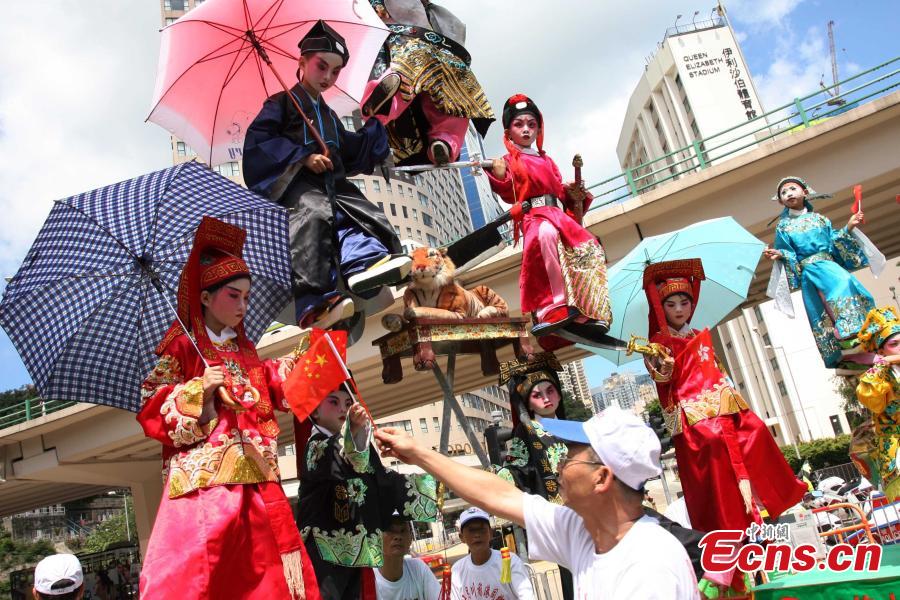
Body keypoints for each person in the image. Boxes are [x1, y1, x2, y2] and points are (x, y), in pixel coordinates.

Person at [137, 217, 319, 600]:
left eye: (247, 296)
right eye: (233, 295)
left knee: (268, 582)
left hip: (258, 485)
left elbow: (279, 385)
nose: (243, 305)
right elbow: (151, 405)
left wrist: (313, 348)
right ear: (205, 297)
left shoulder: (248, 352)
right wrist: (199, 391)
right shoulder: (181, 348)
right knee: (203, 580)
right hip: (206, 492)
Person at [374, 406, 700, 599]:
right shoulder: (582, 531)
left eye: (570, 456)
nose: (557, 462)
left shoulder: (649, 563)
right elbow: (498, 494)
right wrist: (417, 453)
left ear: (602, 478)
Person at [243, 20, 410, 332]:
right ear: (302, 62)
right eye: (322, 66)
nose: (328, 77)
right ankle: (311, 300)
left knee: (359, 212)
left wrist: (375, 137)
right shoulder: (280, 104)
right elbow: (259, 143)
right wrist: (302, 157)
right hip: (297, 189)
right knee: (316, 213)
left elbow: (348, 148)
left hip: (333, 186)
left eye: (335, 71)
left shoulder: (328, 114)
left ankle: (363, 265)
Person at [641, 259, 806, 534]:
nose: (679, 309)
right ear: (661, 308)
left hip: (724, 406)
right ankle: (729, 531)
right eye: (670, 304)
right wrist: (664, 371)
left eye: (684, 302)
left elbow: (718, 371)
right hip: (695, 421)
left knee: (756, 430)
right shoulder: (658, 343)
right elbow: (662, 383)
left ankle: (777, 496)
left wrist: (729, 396)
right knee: (715, 449)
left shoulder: (698, 334)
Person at [485, 94, 611, 349]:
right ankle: (551, 306)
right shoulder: (508, 161)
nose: (526, 129)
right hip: (535, 218)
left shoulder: (547, 160)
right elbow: (510, 192)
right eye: (519, 124)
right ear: (509, 130)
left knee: (590, 246)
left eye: (531, 124)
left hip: (559, 216)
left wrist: (574, 193)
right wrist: (499, 175)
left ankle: (588, 305)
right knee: (545, 236)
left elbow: (559, 193)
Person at [296, 384, 440, 599]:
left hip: (359, 553)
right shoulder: (314, 447)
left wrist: (434, 487)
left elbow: (383, 483)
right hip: (322, 552)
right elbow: (332, 459)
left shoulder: (363, 446)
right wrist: (353, 433)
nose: (343, 409)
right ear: (315, 412)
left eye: (347, 403)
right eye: (333, 402)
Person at [763, 176, 877, 370]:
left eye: (792, 189)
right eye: (784, 192)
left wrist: (849, 225)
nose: (789, 193)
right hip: (810, 271)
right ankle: (843, 343)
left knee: (848, 284)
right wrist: (779, 254)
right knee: (823, 309)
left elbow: (834, 242)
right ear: (781, 201)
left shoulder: (821, 219)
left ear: (805, 192)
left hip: (829, 265)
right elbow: (789, 252)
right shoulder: (783, 226)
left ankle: (860, 331)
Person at [361, 0, 494, 166]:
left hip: (432, 46)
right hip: (398, 46)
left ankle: (444, 143)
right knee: (405, 74)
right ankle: (381, 106)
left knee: (454, 89)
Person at [855, 306, 900, 501]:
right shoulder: (878, 377)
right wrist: (882, 365)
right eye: (895, 344)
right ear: (881, 350)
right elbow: (872, 402)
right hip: (895, 444)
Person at [451, 507, 534, 600]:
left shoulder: (510, 562)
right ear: (461, 537)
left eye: (481, 529)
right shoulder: (457, 570)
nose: (477, 535)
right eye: (471, 530)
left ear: (490, 533)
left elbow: (526, 596)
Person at [374, 514, 441, 600]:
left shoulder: (418, 568)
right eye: (390, 530)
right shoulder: (366, 579)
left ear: (411, 539)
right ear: (376, 538)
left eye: (403, 530)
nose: (398, 536)